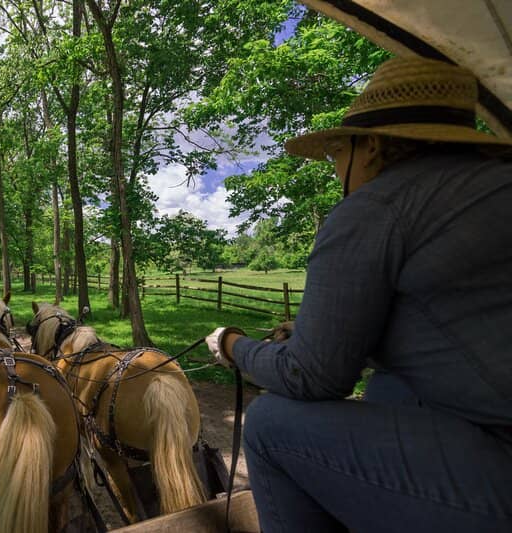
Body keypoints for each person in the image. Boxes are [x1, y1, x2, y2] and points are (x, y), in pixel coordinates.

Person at [206, 56, 512, 532]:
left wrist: (231, 345)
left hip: (499, 469)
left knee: (267, 424)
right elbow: (448, 329)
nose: (334, 169)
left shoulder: (376, 207)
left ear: (370, 146)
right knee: (390, 385)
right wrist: (316, 334)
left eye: (336, 155)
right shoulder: (487, 187)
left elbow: (311, 378)